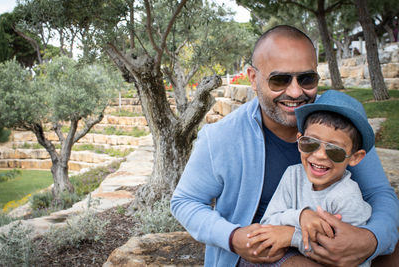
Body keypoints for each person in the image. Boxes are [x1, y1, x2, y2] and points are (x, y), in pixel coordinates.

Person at [170, 25, 399, 266]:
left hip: (331, 233)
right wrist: (233, 237)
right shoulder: (221, 136)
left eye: (307, 78)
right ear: (253, 78)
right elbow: (185, 201)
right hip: (267, 246)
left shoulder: (342, 121)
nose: (295, 91)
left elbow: (378, 193)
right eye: (279, 80)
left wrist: (371, 240)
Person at [242, 90, 374, 267]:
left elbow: (343, 253)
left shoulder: (347, 198)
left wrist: (290, 236)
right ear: (299, 140)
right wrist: (302, 216)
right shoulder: (293, 175)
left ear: (355, 157)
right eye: (310, 143)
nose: (319, 155)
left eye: (335, 150)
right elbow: (268, 223)